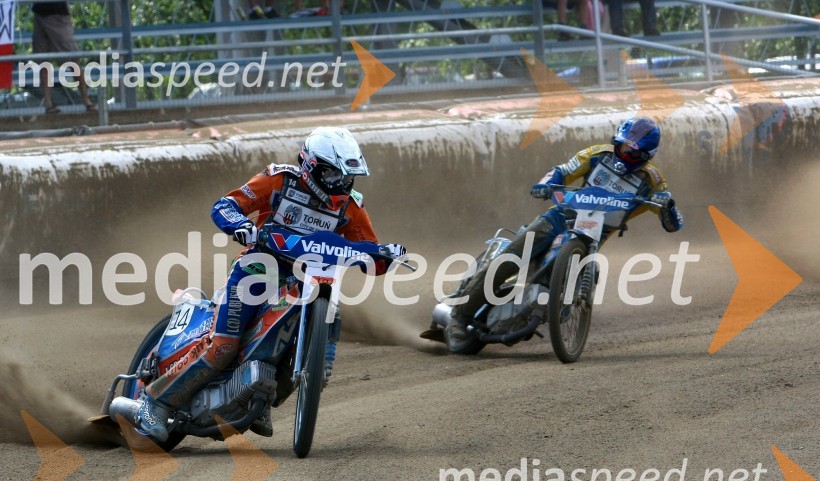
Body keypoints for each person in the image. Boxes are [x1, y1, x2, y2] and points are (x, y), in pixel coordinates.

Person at [136, 127, 406, 441]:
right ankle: (154, 402)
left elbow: (371, 251)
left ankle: (258, 395)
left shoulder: (351, 207)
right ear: (311, 166)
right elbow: (225, 206)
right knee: (223, 346)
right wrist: (241, 226)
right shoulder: (279, 180)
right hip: (257, 270)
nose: (341, 184)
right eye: (333, 175)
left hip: (306, 281)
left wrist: (385, 255)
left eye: (347, 177)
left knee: (305, 338)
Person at [447, 116, 682, 340]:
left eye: (633, 152)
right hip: (560, 217)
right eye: (622, 147)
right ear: (616, 141)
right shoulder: (597, 154)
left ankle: (557, 304)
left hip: (595, 234)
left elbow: (673, 224)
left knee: (589, 273)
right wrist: (546, 183)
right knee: (512, 257)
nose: (625, 154)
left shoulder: (653, 181)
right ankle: (459, 316)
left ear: (647, 156)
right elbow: (563, 170)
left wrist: (667, 204)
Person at [31, 2, 96, 114]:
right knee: (43, 61)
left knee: (72, 59)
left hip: (57, 14)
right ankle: (48, 104)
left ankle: (87, 100)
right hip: (39, 13)